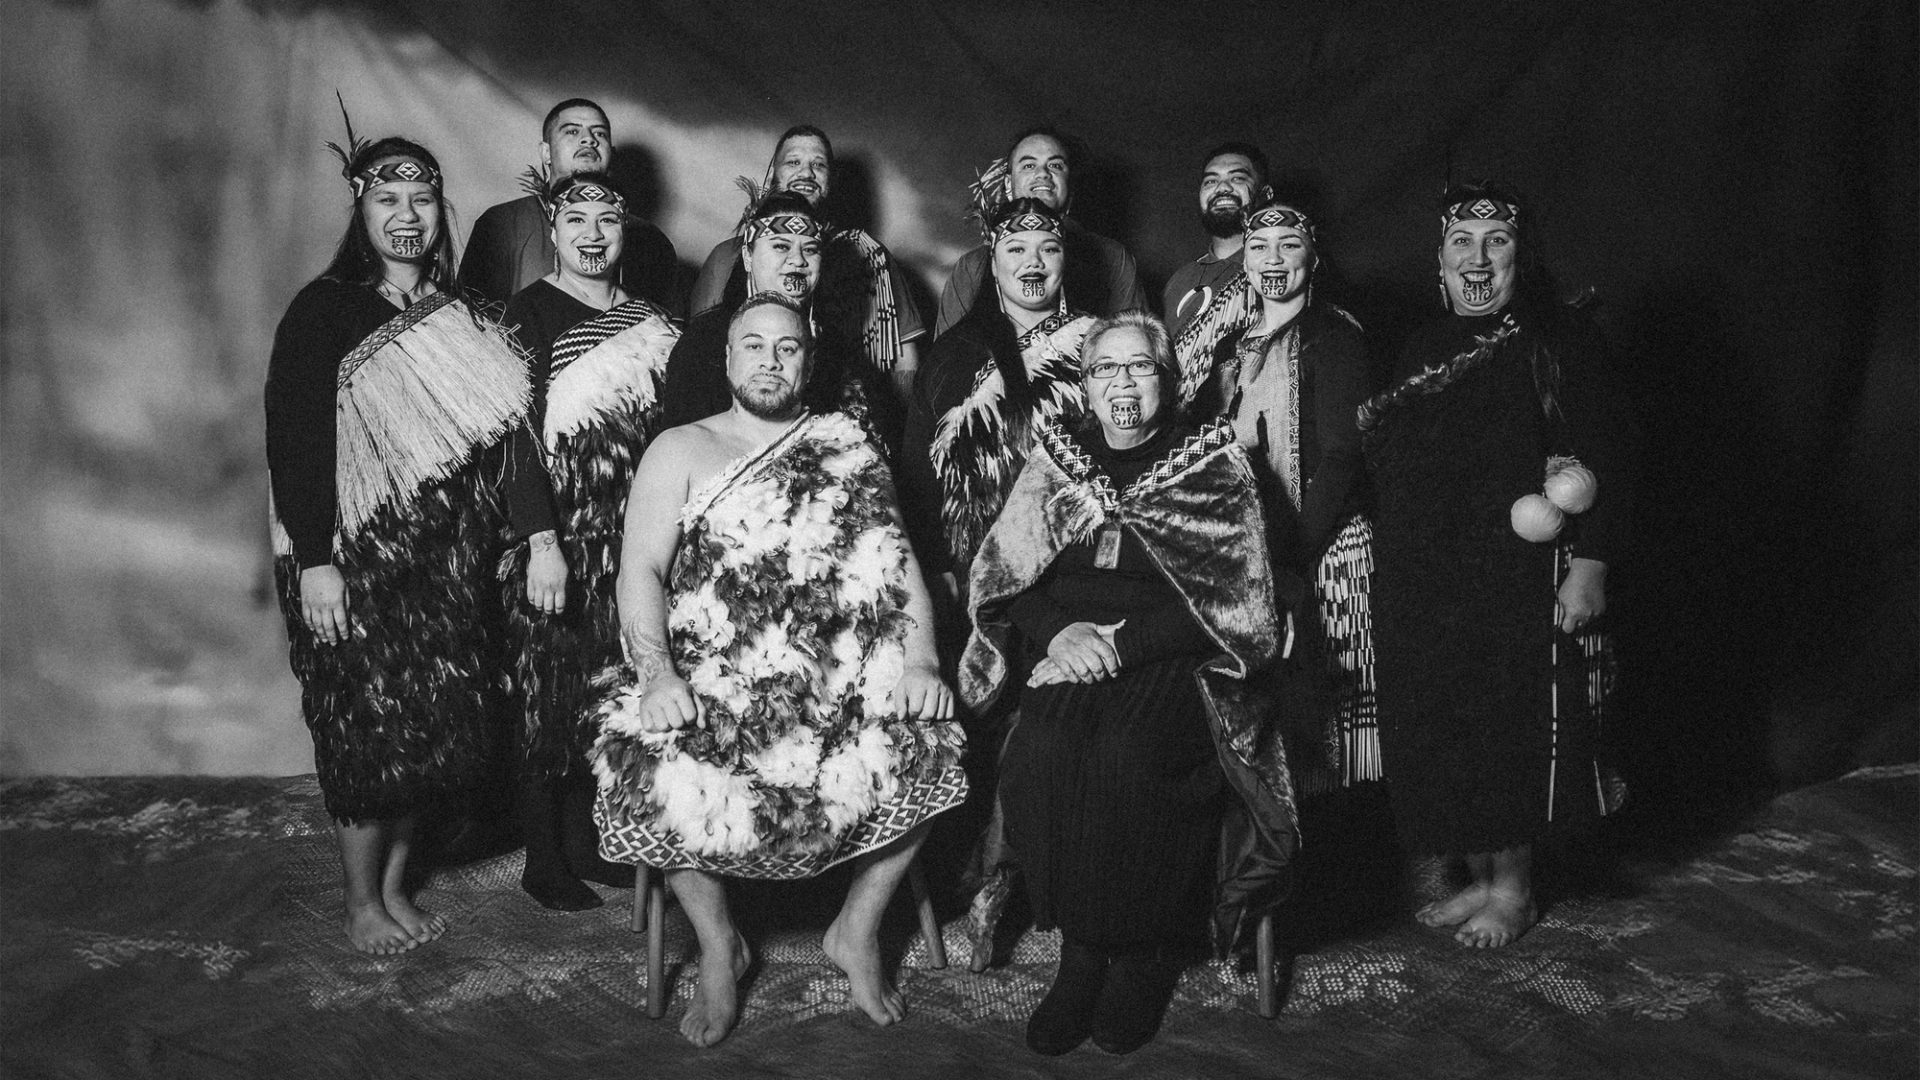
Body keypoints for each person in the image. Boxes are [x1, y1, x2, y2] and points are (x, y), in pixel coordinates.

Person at [589, 294, 967, 1048]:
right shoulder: (680, 447)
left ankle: (855, 931)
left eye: (787, 348)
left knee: (936, 739)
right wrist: (660, 677)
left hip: (842, 670)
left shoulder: (847, 443)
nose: (770, 360)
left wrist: (922, 659)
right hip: (714, 670)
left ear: (809, 360)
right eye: (753, 346)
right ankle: (720, 944)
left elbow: (902, 570)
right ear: (727, 359)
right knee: (639, 761)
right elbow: (640, 572)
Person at [960, 312, 1298, 1055]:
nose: (1122, 384)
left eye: (1139, 367)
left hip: (1180, 659)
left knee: (1127, 754)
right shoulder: (1057, 461)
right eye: (1105, 370)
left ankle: (1143, 952)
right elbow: (1008, 578)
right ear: (1084, 386)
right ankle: (1081, 951)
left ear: (1168, 382)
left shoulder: (1212, 466)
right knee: (1044, 749)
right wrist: (1060, 633)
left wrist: (1124, 643)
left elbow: (1241, 600)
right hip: (1074, 652)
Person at [265, 133, 547, 954]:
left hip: (442, 565)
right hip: (353, 558)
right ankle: (361, 901)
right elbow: (297, 442)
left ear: (440, 210)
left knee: (427, 729)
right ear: (361, 207)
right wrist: (316, 560)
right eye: (388, 200)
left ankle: (395, 885)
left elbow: (501, 434)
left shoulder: (457, 313)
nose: (406, 216)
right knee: (364, 730)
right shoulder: (323, 310)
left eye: (421, 200)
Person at [1359, 182, 1635, 948]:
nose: (1478, 260)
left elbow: (1608, 454)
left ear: (1523, 256)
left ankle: (1514, 887)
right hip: (1425, 576)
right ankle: (1478, 876)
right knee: (1443, 725)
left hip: (1515, 576)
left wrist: (1593, 564)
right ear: (1440, 264)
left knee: (1501, 728)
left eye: (1497, 243)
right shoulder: (1421, 347)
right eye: (1461, 244)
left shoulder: (1561, 340)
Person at [500, 172, 680, 910]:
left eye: (608, 219)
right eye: (577, 219)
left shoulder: (654, 320)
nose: (593, 234)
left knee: (607, 695)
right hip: (561, 537)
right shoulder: (526, 313)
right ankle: (543, 858)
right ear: (554, 223)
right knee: (548, 694)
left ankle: (589, 843)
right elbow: (511, 436)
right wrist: (541, 540)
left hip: (632, 538)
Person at [1178, 198, 1379, 790]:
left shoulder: (1336, 337)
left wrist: (1292, 555)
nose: (1272, 259)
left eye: (1288, 245)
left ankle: (1358, 844)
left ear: (1313, 257)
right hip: (1252, 554)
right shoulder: (1229, 347)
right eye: (1259, 247)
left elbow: (1344, 457)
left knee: (1342, 707)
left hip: (1327, 548)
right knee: (1275, 710)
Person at [900, 198, 1096, 587]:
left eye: (1049, 249)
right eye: (1017, 249)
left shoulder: (1099, 343)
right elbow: (919, 479)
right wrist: (939, 570)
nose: (1034, 262)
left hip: (1082, 560)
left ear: (1064, 261)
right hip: (984, 570)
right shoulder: (952, 357)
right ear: (993, 264)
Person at [687, 125, 925, 416]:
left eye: (818, 164)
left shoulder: (867, 255)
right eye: (794, 162)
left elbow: (904, 361)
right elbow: (702, 347)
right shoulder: (726, 255)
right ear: (774, 173)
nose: (806, 173)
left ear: (832, 180)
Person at [658, 192, 874, 441]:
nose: (797, 260)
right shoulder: (705, 340)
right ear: (748, 257)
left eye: (810, 249)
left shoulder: (834, 346)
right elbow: (681, 445)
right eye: (781, 246)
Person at [458, 98, 679, 313]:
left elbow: (667, 333)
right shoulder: (502, 223)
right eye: (572, 131)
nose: (589, 140)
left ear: (612, 154)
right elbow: (473, 325)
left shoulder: (651, 240)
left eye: (599, 133)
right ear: (546, 153)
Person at [933, 126, 1149, 337]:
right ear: (1008, 184)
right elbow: (947, 359)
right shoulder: (973, 267)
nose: (1043, 174)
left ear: (1070, 184)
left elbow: (1137, 346)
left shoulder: (1113, 258)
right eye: (1028, 166)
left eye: (1055, 165)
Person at [1163, 143, 1272, 342]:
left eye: (1237, 178)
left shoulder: (1281, 269)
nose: (1222, 188)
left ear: (1266, 194)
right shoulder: (1180, 280)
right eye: (1210, 181)